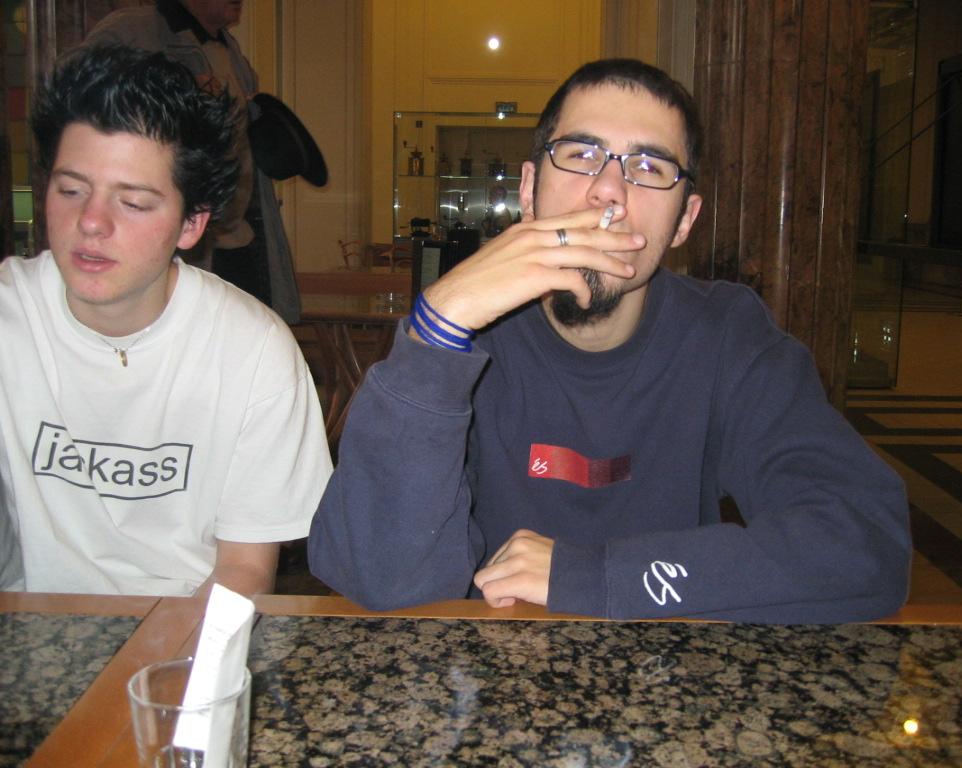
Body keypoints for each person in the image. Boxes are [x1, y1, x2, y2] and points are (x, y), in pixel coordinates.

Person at [308, 59, 911, 622]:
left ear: (684, 220)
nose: (609, 192)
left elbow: (865, 543)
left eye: (649, 168)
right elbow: (380, 580)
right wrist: (436, 332)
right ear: (528, 189)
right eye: (581, 155)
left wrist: (589, 576)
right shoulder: (465, 341)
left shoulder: (728, 336)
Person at [0, 44, 332, 597]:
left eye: (132, 202)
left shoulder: (253, 350)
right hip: (36, 628)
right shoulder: (11, 315)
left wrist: (180, 653)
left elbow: (243, 570)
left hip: (189, 625)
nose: (91, 222)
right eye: (71, 190)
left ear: (191, 224)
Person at [84, 0, 302, 324]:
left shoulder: (229, 48)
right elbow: (80, 103)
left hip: (236, 238)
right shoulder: (132, 31)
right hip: (173, 243)